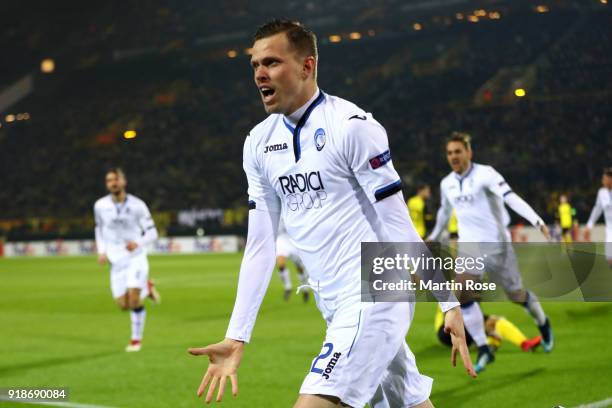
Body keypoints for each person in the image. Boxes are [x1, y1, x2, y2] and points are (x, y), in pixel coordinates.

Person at [188, 20, 475, 408]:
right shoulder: (258, 143)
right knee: (408, 403)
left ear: (307, 67)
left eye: (271, 62)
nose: (259, 73)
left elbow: (396, 222)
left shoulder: (352, 127)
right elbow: (260, 245)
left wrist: (447, 301)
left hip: (375, 293)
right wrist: (237, 334)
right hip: (335, 303)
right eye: (254, 64)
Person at [427, 132, 553, 373]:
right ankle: (484, 348)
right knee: (463, 293)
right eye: (450, 153)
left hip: (498, 246)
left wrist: (536, 220)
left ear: (468, 152)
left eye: (458, 151)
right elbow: (444, 212)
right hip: (470, 247)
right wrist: (433, 236)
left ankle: (543, 323)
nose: (453, 156)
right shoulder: (447, 183)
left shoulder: (487, 174)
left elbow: (510, 197)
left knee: (517, 295)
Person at [94, 168, 160, 352]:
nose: (113, 183)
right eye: (109, 180)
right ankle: (147, 288)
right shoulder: (100, 206)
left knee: (133, 300)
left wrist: (138, 242)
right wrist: (101, 251)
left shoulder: (138, 205)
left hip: (135, 258)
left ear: (124, 182)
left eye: (116, 179)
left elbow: (153, 232)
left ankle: (135, 340)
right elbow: (98, 229)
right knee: (123, 305)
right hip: (116, 261)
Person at [433, 306, 541, 352]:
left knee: (494, 322)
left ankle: (524, 343)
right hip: (446, 332)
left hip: (456, 329)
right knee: (493, 322)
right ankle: (489, 343)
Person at [276, 217, 310, 301]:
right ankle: (288, 287)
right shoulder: (274, 207)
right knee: (280, 264)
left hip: (293, 239)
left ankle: (305, 288)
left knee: (300, 267)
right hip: (281, 239)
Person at [586, 167, 612, 267]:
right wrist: (589, 226)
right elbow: (597, 210)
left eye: (604, 179)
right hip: (610, 231)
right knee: (610, 259)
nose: (603, 181)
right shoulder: (602, 193)